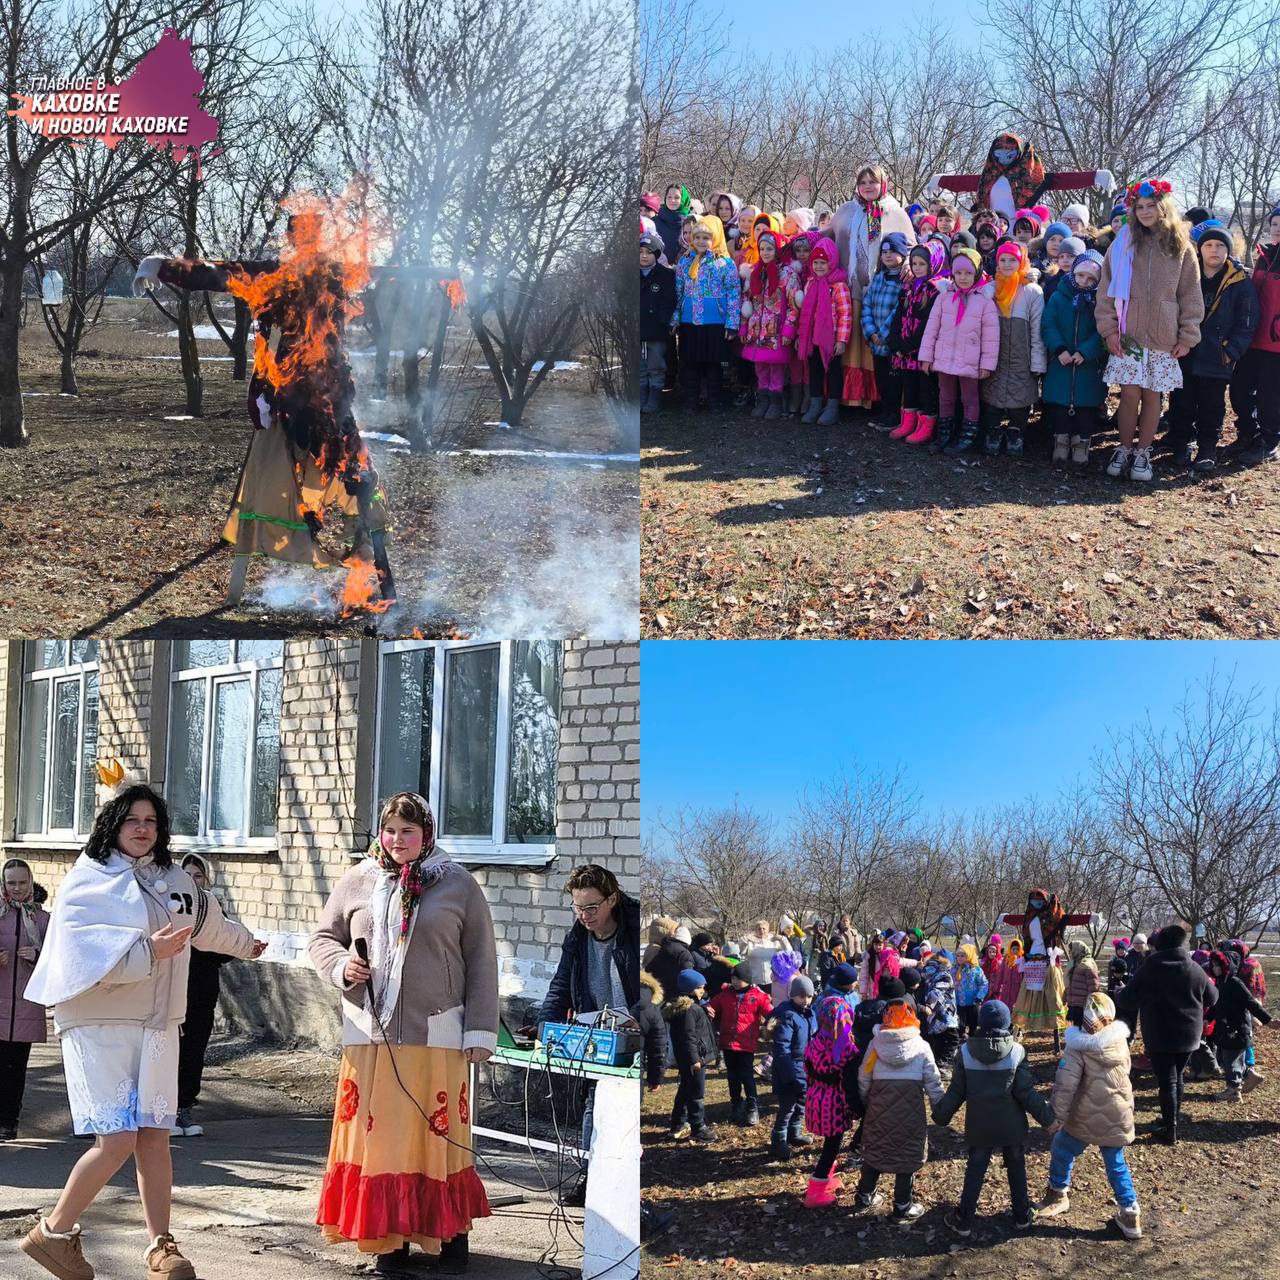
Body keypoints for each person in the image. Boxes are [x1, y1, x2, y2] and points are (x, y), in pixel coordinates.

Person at [20, 785, 266, 1280]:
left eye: (151, 821)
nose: (142, 828)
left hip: (159, 1023)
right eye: (132, 819)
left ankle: (161, 1246)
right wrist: (147, 952)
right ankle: (54, 1232)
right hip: (99, 1023)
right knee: (117, 1138)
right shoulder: (87, 881)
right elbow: (78, 958)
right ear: (113, 823)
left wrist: (250, 944)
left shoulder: (172, 878)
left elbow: (206, 924)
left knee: (155, 1135)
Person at [310, 792, 499, 1273]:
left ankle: (447, 1235)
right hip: (370, 1036)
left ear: (427, 834)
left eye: (408, 831)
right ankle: (388, 1241)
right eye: (390, 830)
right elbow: (322, 938)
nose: (397, 840)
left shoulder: (458, 884)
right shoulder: (358, 878)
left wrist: (480, 1028)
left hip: (437, 1036)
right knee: (384, 1143)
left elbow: (481, 960)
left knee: (435, 1142)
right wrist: (341, 966)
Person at [1096, 179, 1204, 483]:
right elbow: (1105, 290)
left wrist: (1187, 335)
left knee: (1153, 395)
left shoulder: (1181, 246)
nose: (1144, 212)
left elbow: (1190, 294)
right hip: (1127, 333)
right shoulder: (1124, 244)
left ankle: (1144, 452)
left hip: (1163, 334)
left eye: (1150, 205)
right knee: (1129, 394)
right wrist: (1109, 330)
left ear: (1163, 207)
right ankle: (1124, 447)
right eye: (1138, 207)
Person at [934, 999, 1057, 1236]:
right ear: (1007, 1023)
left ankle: (964, 1220)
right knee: (1016, 1166)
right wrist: (1048, 1118)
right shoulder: (1017, 1052)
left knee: (975, 1169)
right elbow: (1026, 1092)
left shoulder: (965, 1052)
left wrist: (941, 1115)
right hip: (1011, 1126)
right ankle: (1021, 1215)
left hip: (980, 1126)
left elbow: (956, 1091)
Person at [1037, 992, 1142, 1240]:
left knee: (1062, 1147)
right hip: (1118, 1111)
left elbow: (1065, 1085)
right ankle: (1129, 1213)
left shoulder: (1077, 1047)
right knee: (1115, 1162)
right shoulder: (1119, 1041)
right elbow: (1125, 1071)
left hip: (1085, 1113)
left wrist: (1055, 1117)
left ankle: (1057, 1193)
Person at [1168, 223, 1258, 470]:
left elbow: (1247, 322)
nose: (1214, 250)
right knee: (1181, 400)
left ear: (1228, 250)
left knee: (1212, 404)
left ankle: (1207, 447)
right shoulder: (1187, 273)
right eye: (1208, 245)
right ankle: (1181, 443)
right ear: (1200, 249)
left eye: (1220, 245)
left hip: (1218, 355)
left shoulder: (1239, 282)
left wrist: (1231, 351)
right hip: (1185, 351)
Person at [829, 165, 916, 409]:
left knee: (879, 346)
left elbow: (911, 246)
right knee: (854, 342)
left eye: (873, 181)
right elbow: (828, 236)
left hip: (882, 291)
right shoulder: (846, 210)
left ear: (883, 184)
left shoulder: (895, 213)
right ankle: (853, 397)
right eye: (863, 181)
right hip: (851, 288)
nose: (868, 186)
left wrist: (908, 262)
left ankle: (881, 402)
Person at [855, 986, 944, 1222]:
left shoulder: (876, 1044)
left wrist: (865, 1101)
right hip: (911, 1111)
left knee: (875, 1150)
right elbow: (933, 1081)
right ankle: (903, 1205)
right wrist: (940, 1108)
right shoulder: (922, 1046)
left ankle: (864, 1195)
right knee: (906, 1155)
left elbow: (864, 1075)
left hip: (879, 1107)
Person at [173, 854, 239, 1138]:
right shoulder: (172, 908)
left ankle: (185, 1109)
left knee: (194, 1051)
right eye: (186, 876)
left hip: (202, 991)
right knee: (169, 1051)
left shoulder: (213, 910)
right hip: (171, 992)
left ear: (206, 880)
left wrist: (210, 939)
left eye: (197, 876)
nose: (192, 881)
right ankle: (164, 1112)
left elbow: (227, 951)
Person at [918, 247, 1000, 457]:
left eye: (968, 273)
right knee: (945, 396)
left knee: (969, 399)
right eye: (958, 273)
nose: (963, 278)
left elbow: (991, 337)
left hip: (969, 360)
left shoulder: (984, 301)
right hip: (944, 357)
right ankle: (945, 433)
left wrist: (986, 364)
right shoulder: (944, 297)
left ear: (977, 273)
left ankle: (968, 434)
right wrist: (926, 356)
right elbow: (931, 328)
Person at [1041, 249, 1107, 465]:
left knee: (1085, 409)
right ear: (1073, 273)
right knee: (1060, 407)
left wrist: (1086, 351)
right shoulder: (1059, 296)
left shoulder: (1100, 302)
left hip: (1087, 365)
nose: (1084, 281)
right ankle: (1060, 441)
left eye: (1091, 279)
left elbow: (1103, 331)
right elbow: (1048, 323)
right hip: (1061, 361)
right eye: (1081, 275)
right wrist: (1059, 349)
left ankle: (1082, 443)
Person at [980, 240, 1045, 457]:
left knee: (1021, 394)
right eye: (1003, 260)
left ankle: (1016, 431)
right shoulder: (991, 289)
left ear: (1021, 262)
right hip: (995, 352)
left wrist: (1037, 361)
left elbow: (1037, 330)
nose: (1008, 264)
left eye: (1012, 260)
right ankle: (993, 431)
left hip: (1021, 354)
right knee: (992, 393)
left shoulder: (1032, 292)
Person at [0, 858, 50, 1141]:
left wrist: (38, 956)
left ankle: (9, 1122)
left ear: (31, 883)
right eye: (11, 883)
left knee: (16, 1069)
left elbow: (57, 961)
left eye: (22, 882)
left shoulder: (42, 919)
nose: (17, 889)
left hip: (27, 1005)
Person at [672, 215, 741, 412]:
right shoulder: (685, 262)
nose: (701, 242)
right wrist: (676, 318)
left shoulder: (725, 263)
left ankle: (714, 401)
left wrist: (732, 323)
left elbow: (734, 294)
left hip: (715, 322)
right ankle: (691, 401)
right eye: (698, 237)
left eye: (706, 237)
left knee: (713, 364)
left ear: (715, 238)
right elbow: (679, 292)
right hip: (690, 320)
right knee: (691, 364)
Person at [1228, 204, 1280, 464]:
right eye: (1274, 224)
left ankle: (1270, 441)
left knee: (1270, 395)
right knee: (1239, 389)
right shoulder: (1264, 255)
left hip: (1276, 343)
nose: (1277, 229)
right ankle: (1248, 433)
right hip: (1253, 337)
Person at [802, 994, 857, 1208]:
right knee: (832, 1146)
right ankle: (815, 1191)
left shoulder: (815, 1041)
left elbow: (807, 1068)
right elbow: (851, 1078)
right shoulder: (845, 1048)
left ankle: (827, 1178)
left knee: (830, 1143)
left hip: (815, 1100)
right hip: (834, 1105)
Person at [888, 241, 946, 444]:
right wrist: (894, 342)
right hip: (904, 351)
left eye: (922, 264)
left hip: (921, 351)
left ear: (933, 264)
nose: (917, 268)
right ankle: (908, 422)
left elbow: (928, 324)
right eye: (914, 263)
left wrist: (908, 346)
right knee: (909, 387)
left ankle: (926, 425)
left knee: (926, 389)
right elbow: (898, 316)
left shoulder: (935, 289)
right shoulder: (908, 287)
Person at [740, 227, 798, 420]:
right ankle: (762, 398)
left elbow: (793, 305)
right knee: (760, 366)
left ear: (777, 250)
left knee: (776, 367)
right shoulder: (755, 272)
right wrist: (743, 325)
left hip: (776, 329)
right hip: (757, 330)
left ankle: (776, 401)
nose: (765, 253)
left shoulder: (787, 274)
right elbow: (746, 301)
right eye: (762, 249)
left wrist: (789, 329)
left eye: (769, 249)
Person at [796, 237, 852, 427]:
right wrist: (800, 336)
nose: (819, 267)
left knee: (834, 372)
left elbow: (845, 315)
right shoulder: (811, 283)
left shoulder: (838, 286)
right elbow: (805, 312)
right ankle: (815, 403)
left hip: (831, 339)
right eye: (816, 263)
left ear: (832, 262)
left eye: (823, 263)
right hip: (813, 338)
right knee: (815, 371)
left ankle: (833, 407)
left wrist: (842, 340)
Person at [706, 966, 772, 1126]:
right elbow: (711, 1005)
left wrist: (774, 1021)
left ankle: (752, 1106)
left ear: (747, 979)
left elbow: (770, 1013)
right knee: (732, 1076)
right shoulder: (725, 995)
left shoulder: (758, 997)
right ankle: (736, 1103)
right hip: (728, 1042)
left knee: (746, 1075)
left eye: (738, 978)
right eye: (732, 978)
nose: (734, 982)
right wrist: (707, 1009)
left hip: (746, 1044)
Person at [1206, 949, 1272, 1104]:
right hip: (1225, 1029)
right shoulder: (1222, 982)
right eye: (1213, 965)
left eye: (1218, 966)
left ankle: (1234, 1092)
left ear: (1227, 966)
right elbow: (1217, 1006)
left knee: (1232, 1060)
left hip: (1236, 1029)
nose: (1214, 969)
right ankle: (1249, 1074)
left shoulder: (1235, 983)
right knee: (1225, 1058)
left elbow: (1251, 1002)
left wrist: (1267, 1020)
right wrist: (1208, 1018)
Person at [862, 232, 909, 429]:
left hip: (890, 341)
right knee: (881, 378)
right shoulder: (879, 278)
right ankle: (885, 410)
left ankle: (894, 414)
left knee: (893, 380)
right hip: (876, 341)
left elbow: (899, 311)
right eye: (884, 252)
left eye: (892, 251)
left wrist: (883, 334)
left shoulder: (904, 281)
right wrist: (871, 332)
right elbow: (867, 305)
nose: (888, 255)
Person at [769, 974, 817, 1160]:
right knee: (787, 1107)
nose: (806, 1000)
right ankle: (778, 1140)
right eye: (802, 996)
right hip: (789, 1070)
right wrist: (790, 1075)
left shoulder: (808, 1014)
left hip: (805, 1069)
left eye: (809, 996)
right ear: (793, 995)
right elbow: (782, 1047)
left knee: (801, 1105)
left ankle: (793, 1133)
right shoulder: (788, 1015)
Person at [640, 231, 677, 414]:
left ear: (656, 254)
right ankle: (641, 393)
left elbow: (669, 301)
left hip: (657, 329)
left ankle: (655, 394)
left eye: (648, 252)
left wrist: (664, 321)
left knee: (655, 363)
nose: (644, 256)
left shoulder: (666, 276)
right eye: (640, 252)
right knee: (639, 363)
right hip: (638, 329)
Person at [919, 952, 960, 1074]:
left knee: (939, 1040)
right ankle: (943, 1065)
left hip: (934, 1015)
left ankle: (936, 1064)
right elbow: (936, 993)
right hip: (945, 1015)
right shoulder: (943, 975)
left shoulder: (928, 972)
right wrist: (929, 1005)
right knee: (953, 1040)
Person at [643, 916, 696, 997]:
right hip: (663, 992)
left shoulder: (660, 947)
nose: (673, 933)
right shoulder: (656, 949)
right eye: (674, 930)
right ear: (665, 931)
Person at [954, 944, 989, 1040]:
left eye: (962, 955)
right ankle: (961, 1046)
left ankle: (973, 1045)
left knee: (973, 1026)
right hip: (958, 1003)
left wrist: (979, 996)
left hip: (973, 1003)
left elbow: (984, 983)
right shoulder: (954, 969)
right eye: (958, 955)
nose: (959, 958)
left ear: (969, 955)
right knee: (959, 1026)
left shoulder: (976, 970)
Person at [1063, 940, 1101, 1028]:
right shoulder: (1074, 963)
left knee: (1082, 1027)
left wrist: (1092, 1001)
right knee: (1075, 1026)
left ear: (1077, 951)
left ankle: (1081, 1041)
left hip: (1083, 1004)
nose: (1069, 953)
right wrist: (1065, 995)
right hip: (1073, 1002)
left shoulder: (1087, 965)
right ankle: (1076, 1041)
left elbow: (1093, 986)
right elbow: (1070, 982)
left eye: (1071, 951)